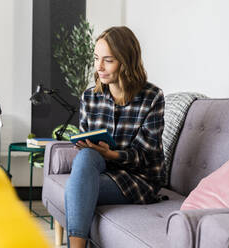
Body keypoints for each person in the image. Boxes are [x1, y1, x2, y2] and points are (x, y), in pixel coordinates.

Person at [64, 26, 166, 248]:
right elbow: (85, 143)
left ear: (126, 61)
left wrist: (112, 153)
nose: (99, 67)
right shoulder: (90, 97)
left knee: (77, 191)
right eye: (96, 58)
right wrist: (86, 146)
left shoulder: (152, 97)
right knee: (84, 162)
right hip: (102, 170)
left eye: (108, 60)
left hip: (138, 179)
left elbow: (147, 156)